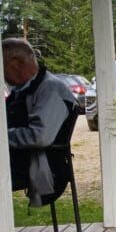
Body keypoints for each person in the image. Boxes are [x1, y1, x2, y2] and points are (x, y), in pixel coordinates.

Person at [3, 38, 79, 206]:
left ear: (15, 64)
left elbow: (40, 136)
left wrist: (3, 136)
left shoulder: (50, 89)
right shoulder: (22, 89)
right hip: (18, 160)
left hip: (41, 166)